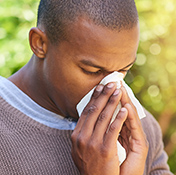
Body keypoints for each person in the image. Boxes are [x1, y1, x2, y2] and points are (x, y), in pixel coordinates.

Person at [0, 0, 173, 174]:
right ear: (39, 43)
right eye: (92, 70)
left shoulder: (139, 133)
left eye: (123, 70)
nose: (111, 87)